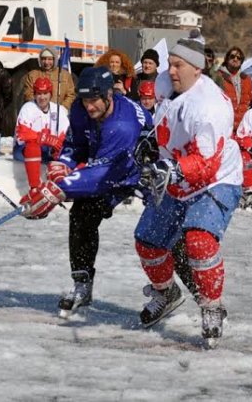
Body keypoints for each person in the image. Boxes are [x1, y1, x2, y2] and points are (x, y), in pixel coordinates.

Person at [131, 32, 242, 345]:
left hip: (214, 179)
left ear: (198, 69)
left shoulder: (209, 108)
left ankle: (212, 307)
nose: (171, 70)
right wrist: (150, 141)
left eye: (178, 65)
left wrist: (174, 168)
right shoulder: (168, 83)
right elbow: (163, 120)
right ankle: (166, 294)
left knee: (198, 241)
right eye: (170, 64)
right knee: (148, 242)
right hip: (175, 176)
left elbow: (206, 163)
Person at [18, 66, 153, 317]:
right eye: (84, 100)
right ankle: (82, 283)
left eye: (93, 101)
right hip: (106, 165)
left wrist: (58, 189)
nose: (89, 107)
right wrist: (62, 165)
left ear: (108, 95)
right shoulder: (81, 109)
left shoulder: (122, 125)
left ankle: (171, 292)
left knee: (160, 231)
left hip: (135, 172)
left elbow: (102, 175)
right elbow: (75, 143)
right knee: (81, 214)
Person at [13, 77, 69, 190]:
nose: (42, 97)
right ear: (34, 94)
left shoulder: (59, 109)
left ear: (50, 93)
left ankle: (63, 187)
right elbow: (21, 135)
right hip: (24, 149)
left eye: (45, 93)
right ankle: (35, 188)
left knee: (66, 150)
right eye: (39, 93)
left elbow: (66, 133)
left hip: (47, 151)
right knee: (33, 147)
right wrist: (44, 138)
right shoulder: (28, 108)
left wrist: (58, 144)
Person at [217, 46, 252, 132]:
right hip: (224, 126)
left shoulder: (247, 79)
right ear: (226, 59)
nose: (235, 59)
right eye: (232, 56)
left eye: (239, 58)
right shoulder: (218, 77)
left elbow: (251, 102)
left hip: (243, 126)